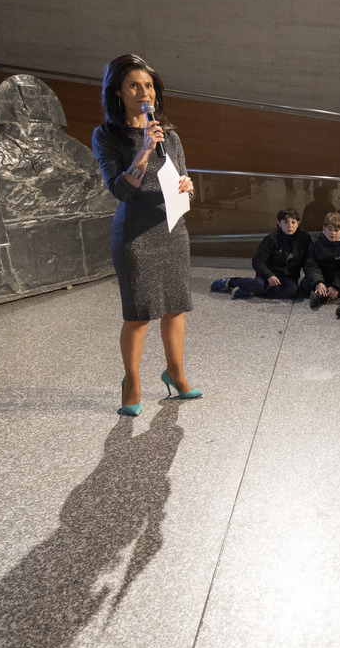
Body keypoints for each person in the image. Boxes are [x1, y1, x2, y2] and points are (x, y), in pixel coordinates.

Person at [92, 53, 200, 415]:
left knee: (175, 308)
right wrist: (142, 151)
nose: (144, 92)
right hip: (135, 233)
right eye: (134, 85)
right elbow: (119, 190)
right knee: (139, 313)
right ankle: (132, 380)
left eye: (149, 85)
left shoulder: (170, 133)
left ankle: (175, 372)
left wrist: (188, 186)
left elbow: (181, 177)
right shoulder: (106, 135)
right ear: (118, 93)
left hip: (172, 229)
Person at [211, 208, 311, 299]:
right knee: (258, 285)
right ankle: (231, 282)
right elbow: (257, 261)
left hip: (289, 276)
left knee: (292, 291)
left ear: (298, 223)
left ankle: (251, 291)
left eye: (293, 222)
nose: (290, 226)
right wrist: (269, 275)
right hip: (268, 273)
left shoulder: (304, 238)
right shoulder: (271, 239)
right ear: (279, 223)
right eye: (286, 222)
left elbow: (309, 260)